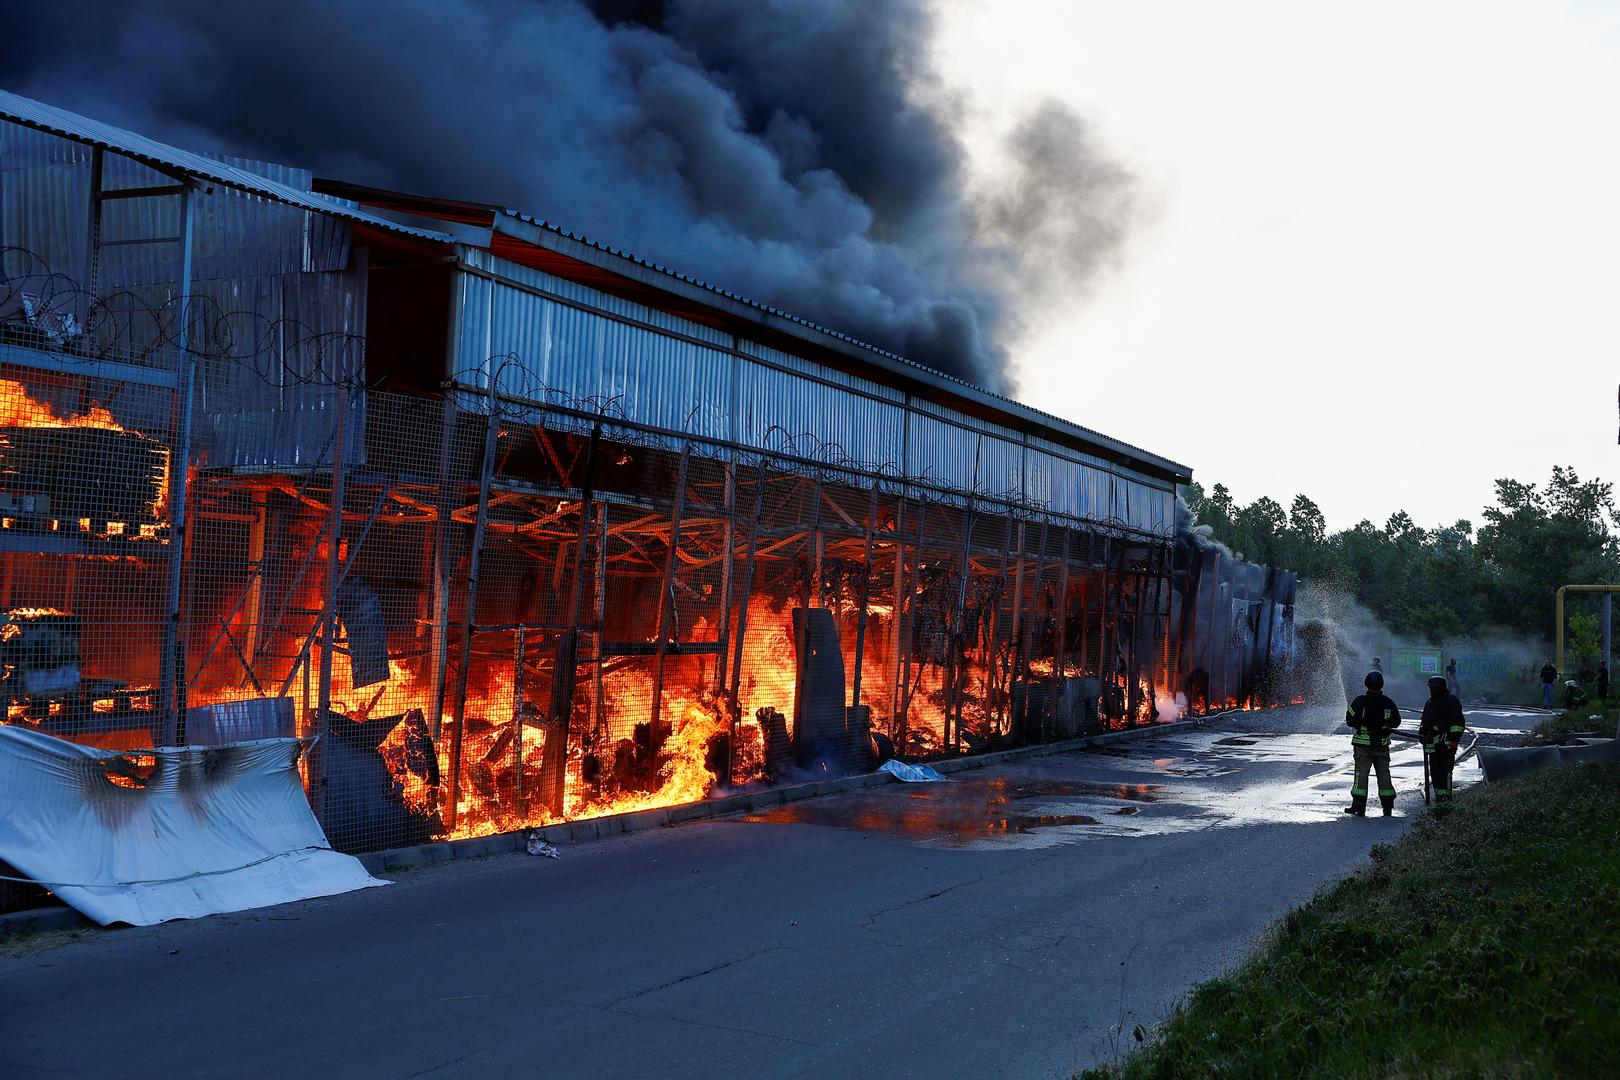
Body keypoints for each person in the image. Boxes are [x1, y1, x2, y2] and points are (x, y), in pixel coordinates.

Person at [1345, 670, 1401, 817]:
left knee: (1361, 774)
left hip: (1363, 746)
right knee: (1384, 773)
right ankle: (1387, 806)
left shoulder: (1360, 701)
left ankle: (1359, 805)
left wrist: (1362, 723)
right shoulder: (1388, 702)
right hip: (1382, 746)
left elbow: (1349, 720)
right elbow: (1396, 722)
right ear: (1381, 684)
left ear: (1366, 683)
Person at [1419, 675, 1466, 802]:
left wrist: (1453, 740)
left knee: (1446, 771)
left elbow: (1458, 724)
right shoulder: (1430, 702)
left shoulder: (1451, 701)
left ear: (1441, 688)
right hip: (1433, 746)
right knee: (1435, 772)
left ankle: (1447, 796)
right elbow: (1424, 721)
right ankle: (1439, 796)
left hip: (1447, 745)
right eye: (1431, 688)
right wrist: (1421, 734)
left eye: (1434, 688)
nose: (1432, 690)